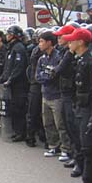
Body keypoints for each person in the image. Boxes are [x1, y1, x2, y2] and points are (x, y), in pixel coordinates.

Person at [62, 28, 92, 183]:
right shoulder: (80, 58)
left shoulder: (91, 59)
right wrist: (69, 54)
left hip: (90, 108)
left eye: (72, 40)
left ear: (81, 42)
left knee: (89, 147)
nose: (70, 42)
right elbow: (63, 71)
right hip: (82, 106)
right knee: (85, 144)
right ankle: (87, 179)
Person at [35, 31, 72, 160]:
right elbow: (38, 76)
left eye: (41, 41)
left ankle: (65, 149)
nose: (39, 44)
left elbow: (55, 75)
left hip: (57, 95)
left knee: (60, 124)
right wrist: (46, 76)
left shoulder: (58, 56)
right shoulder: (42, 58)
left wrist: (48, 76)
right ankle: (53, 146)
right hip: (45, 94)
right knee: (48, 123)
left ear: (49, 42)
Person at [53, 24, 82, 173]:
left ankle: (80, 162)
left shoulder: (74, 54)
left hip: (73, 95)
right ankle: (75, 156)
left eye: (62, 36)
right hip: (64, 92)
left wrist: (70, 53)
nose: (59, 39)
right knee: (69, 127)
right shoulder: (64, 52)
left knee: (75, 129)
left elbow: (60, 69)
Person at [0, 25, 29, 141]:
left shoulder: (18, 48)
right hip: (11, 84)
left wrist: (11, 79)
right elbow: (8, 67)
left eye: (9, 34)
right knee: (14, 108)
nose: (7, 36)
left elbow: (18, 67)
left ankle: (21, 133)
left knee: (19, 109)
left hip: (19, 84)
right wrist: (2, 78)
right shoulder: (10, 48)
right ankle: (16, 131)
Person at [25, 29, 47, 147]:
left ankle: (45, 137)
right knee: (33, 111)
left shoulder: (53, 53)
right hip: (35, 84)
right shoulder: (35, 50)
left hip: (44, 85)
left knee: (44, 114)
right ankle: (31, 136)